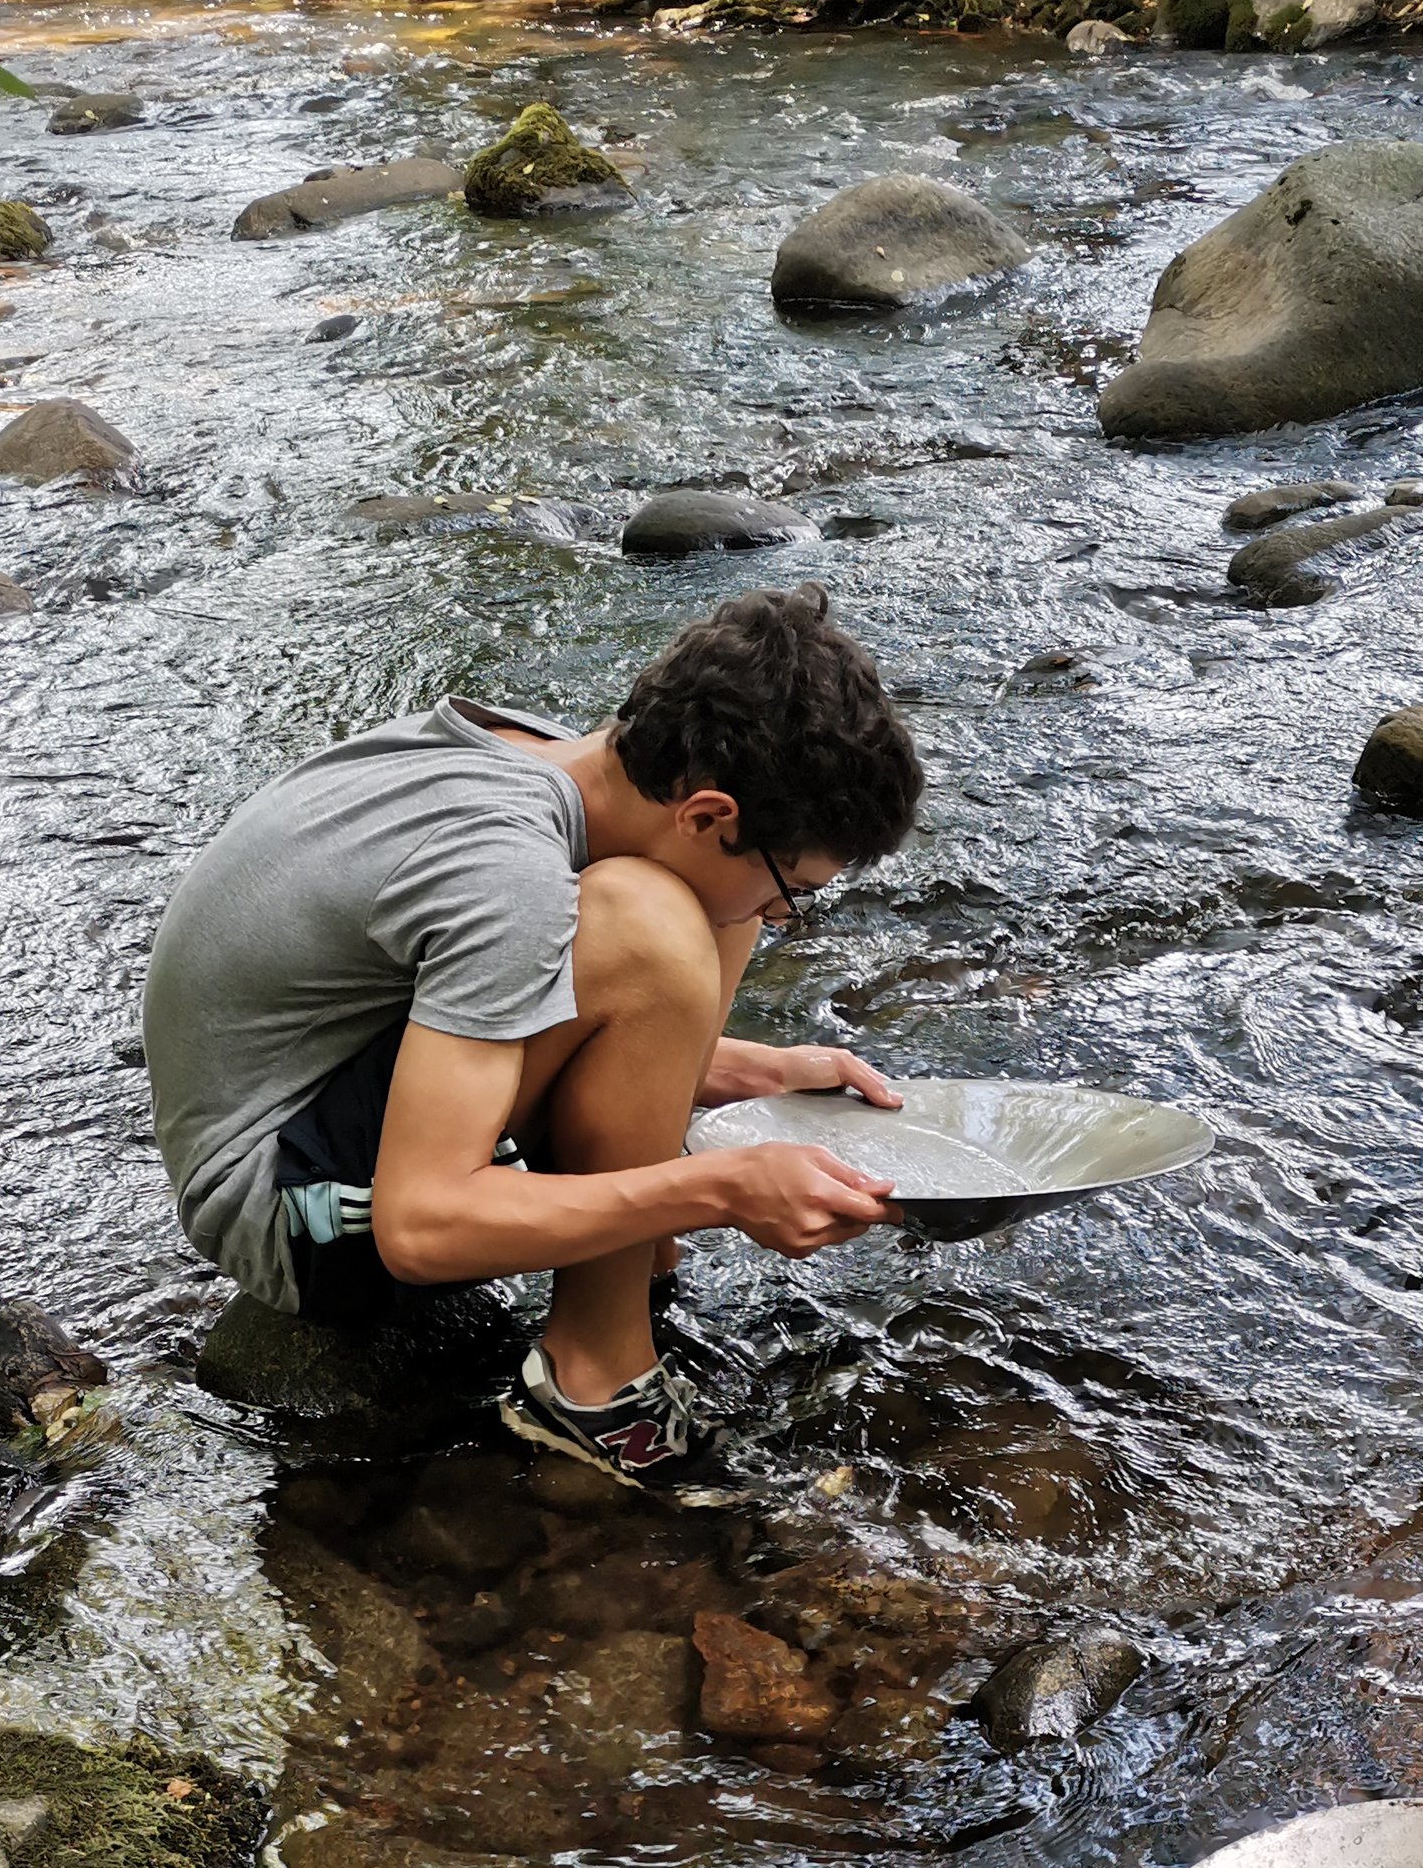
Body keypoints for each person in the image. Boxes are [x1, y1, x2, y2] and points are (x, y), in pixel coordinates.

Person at [144, 586, 925, 1500]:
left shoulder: (555, 761)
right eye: (796, 891)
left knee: (702, 907)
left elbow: (505, 1003)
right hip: (286, 1210)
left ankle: (629, 1269)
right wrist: (718, 1189)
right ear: (707, 813)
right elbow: (419, 1225)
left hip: (322, 1095)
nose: (785, 918)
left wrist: (742, 1071)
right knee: (655, 923)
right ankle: (592, 1378)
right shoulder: (508, 871)